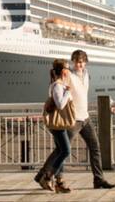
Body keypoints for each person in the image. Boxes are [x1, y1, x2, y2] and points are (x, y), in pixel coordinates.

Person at [35, 50, 115, 190]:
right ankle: (48, 176)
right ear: (73, 61)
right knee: (63, 150)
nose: (79, 64)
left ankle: (98, 179)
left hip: (85, 117)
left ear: (85, 62)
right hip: (73, 119)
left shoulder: (86, 75)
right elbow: (56, 86)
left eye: (81, 61)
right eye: (76, 61)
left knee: (95, 147)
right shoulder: (69, 75)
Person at [39, 59, 73, 193]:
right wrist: (68, 93)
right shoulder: (58, 86)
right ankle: (47, 177)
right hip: (57, 124)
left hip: (58, 124)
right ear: (64, 71)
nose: (69, 71)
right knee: (66, 151)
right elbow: (60, 104)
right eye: (68, 69)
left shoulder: (58, 85)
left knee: (60, 151)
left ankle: (59, 183)